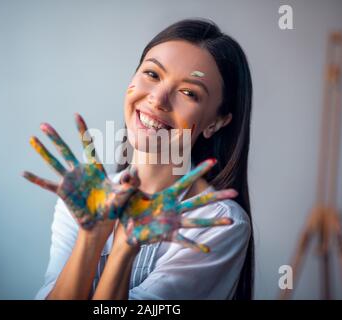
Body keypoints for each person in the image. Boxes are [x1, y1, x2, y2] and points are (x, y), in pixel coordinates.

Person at [24, 18, 254, 300]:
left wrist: (124, 248)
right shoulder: (87, 196)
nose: (158, 98)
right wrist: (92, 234)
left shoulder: (217, 223)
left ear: (216, 122)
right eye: (153, 74)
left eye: (188, 93)